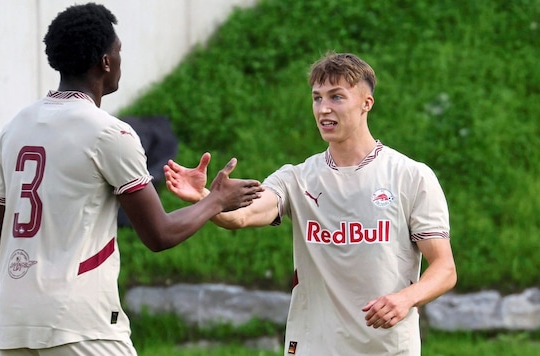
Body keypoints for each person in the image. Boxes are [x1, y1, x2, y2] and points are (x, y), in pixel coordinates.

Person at [0, 3, 262, 356]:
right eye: (118, 52)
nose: (120, 60)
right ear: (105, 62)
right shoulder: (109, 134)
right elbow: (159, 235)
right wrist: (217, 200)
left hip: (13, 326)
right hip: (81, 327)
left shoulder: (14, 129)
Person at [164, 52, 457, 355]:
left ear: (366, 103)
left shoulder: (410, 176)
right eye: (317, 98)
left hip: (387, 348)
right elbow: (241, 217)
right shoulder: (296, 178)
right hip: (314, 347)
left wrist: (405, 298)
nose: (324, 108)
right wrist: (207, 200)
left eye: (337, 97)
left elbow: (445, 268)